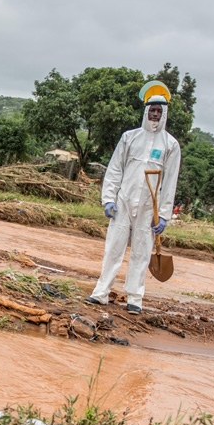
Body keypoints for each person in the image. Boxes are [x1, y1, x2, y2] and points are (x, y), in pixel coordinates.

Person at [84, 81, 181, 315]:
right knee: (113, 248)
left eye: (159, 111)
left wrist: (164, 216)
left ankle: (135, 298)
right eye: (152, 110)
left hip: (149, 208)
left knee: (141, 251)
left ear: (164, 114)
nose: (155, 115)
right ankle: (101, 292)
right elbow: (115, 169)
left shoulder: (171, 145)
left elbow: (170, 183)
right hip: (124, 202)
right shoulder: (129, 137)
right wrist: (109, 199)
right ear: (146, 111)